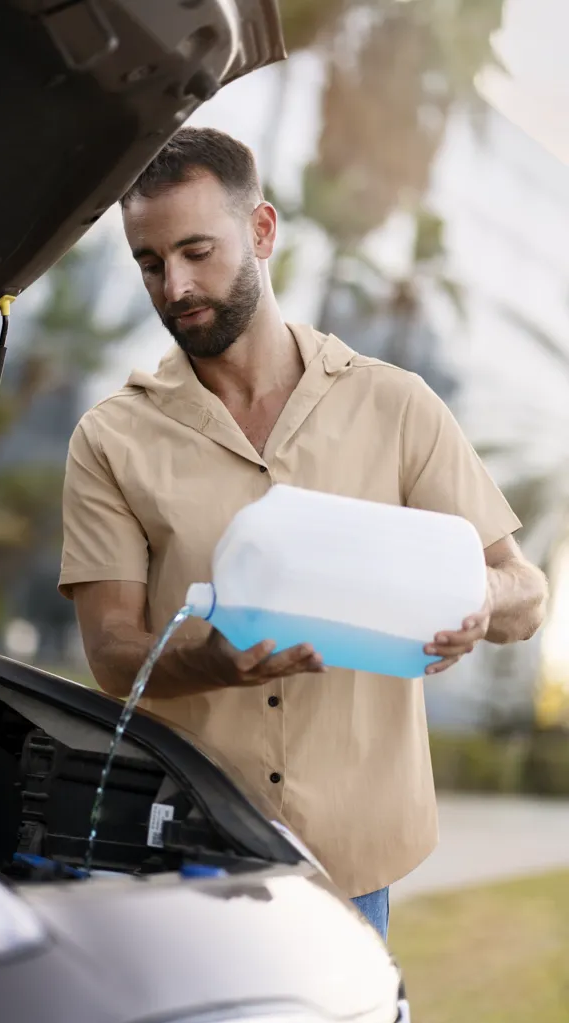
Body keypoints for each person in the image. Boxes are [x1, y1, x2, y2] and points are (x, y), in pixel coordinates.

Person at [59, 127, 547, 939]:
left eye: (195, 251)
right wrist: (202, 660)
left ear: (261, 232)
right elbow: (112, 651)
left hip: (350, 877)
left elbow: (526, 592)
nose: (174, 285)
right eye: (149, 263)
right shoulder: (111, 439)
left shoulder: (397, 407)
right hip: (189, 862)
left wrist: (478, 598)